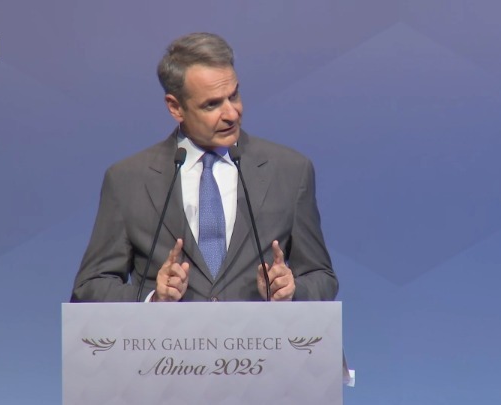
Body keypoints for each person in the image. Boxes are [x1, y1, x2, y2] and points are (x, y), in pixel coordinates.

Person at [70, 32, 337, 303]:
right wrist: (152, 300)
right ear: (176, 107)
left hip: (260, 332)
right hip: (168, 332)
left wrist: (292, 291)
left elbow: (321, 276)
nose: (232, 113)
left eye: (234, 95)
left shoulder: (290, 171)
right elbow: (90, 288)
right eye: (212, 104)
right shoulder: (128, 180)